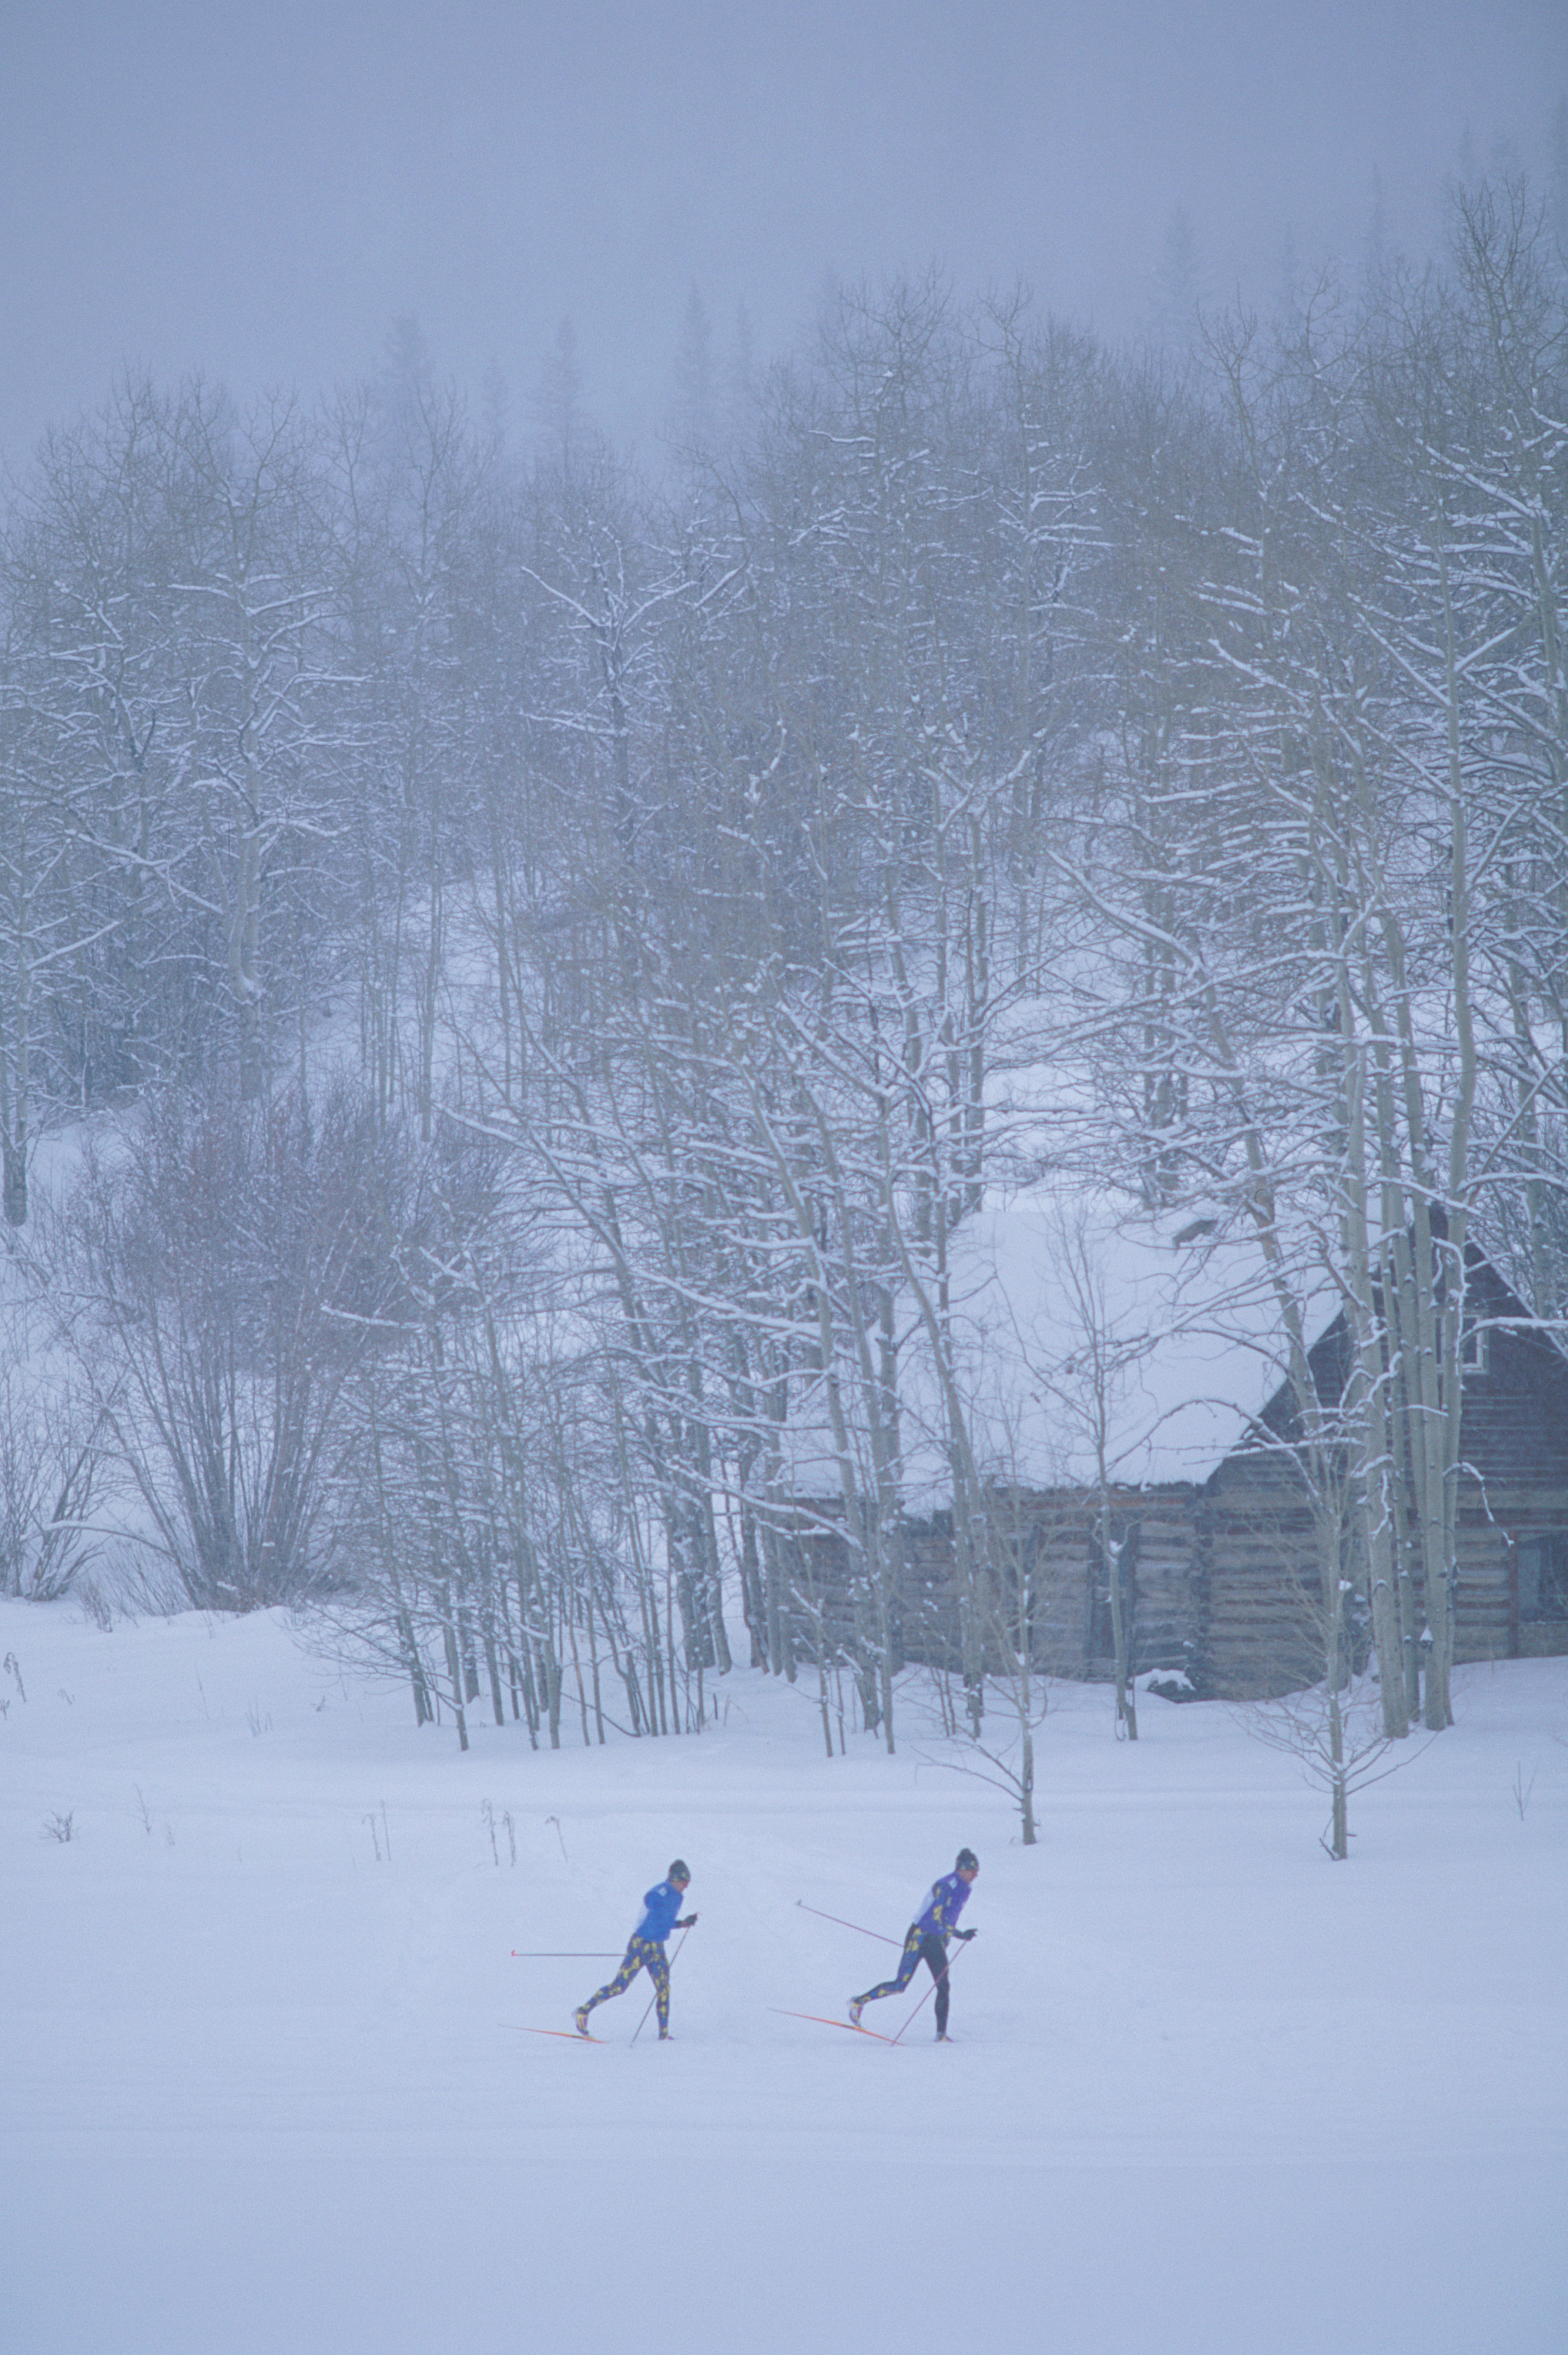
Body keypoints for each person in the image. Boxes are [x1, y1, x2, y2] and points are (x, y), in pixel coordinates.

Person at [849, 1848, 978, 2042]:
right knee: (900, 1985)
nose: (975, 1876)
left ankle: (941, 2034)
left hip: (935, 1940)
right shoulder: (946, 1885)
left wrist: (947, 1939)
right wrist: (959, 1934)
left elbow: (951, 1916)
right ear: (962, 1869)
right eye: (973, 1871)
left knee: (944, 1985)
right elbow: (936, 1917)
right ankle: (858, 2003)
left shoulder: (965, 1889)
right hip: (920, 1936)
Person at [575, 1860, 697, 2039]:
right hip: (640, 1945)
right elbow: (650, 1900)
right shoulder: (661, 1892)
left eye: (688, 1883)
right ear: (675, 1879)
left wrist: (683, 1923)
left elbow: (665, 1922)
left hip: (657, 1948)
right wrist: (659, 1909)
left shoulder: (678, 1898)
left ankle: (664, 2035)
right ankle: (583, 2012)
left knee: (664, 1988)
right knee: (619, 1987)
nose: (686, 1886)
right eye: (684, 1882)